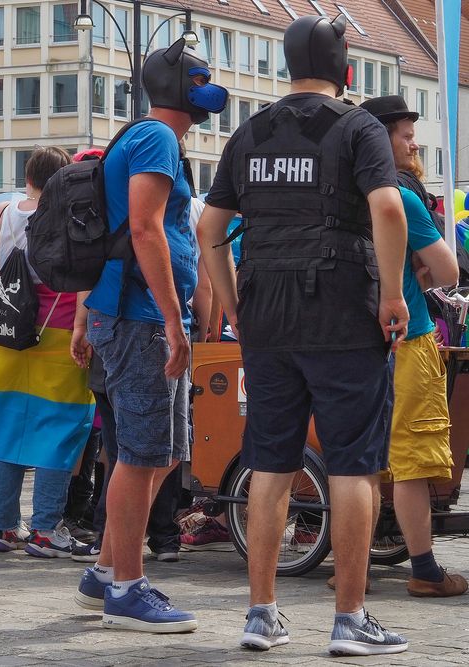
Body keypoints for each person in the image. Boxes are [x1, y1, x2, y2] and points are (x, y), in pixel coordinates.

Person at [197, 14, 410, 657]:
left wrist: (233, 306)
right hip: (344, 310)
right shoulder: (358, 128)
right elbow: (389, 207)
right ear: (346, 69)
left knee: (271, 462)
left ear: (286, 66)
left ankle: (261, 614)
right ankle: (349, 620)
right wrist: (395, 294)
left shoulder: (251, 132)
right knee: (352, 464)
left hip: (267, 313)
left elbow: (209, 227)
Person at [72, 37, 227, 633]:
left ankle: (106, 569)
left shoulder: (141, 136)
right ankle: (127, 590)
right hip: (141, 318)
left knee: (160, 452)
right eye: (200, 80)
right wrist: (170, 316)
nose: (209, 90)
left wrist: (90, 316)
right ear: (179, 88)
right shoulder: (157, 138)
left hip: (134, 314)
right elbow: (142, 228)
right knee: (142, 455)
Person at [357, 95, 466, 597]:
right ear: (382, 139)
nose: (414, 142)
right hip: (407, 338)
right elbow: (447, 270)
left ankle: (353, 569)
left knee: (358, 460)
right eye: (404, 134)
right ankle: (423, 570)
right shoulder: (403, 195)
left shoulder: (344, 189)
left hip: (352, 342)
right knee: (413, 459)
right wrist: (417, 272)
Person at [0, 146, 95, 558]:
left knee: (5, 429)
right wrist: (84, 327)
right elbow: (82, 280)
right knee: (60, 429)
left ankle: (3, 526)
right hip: (58, 331)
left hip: (6, 333)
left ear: (28, 174)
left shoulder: (3, 213)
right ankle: (46, 527)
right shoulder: (70, 217)